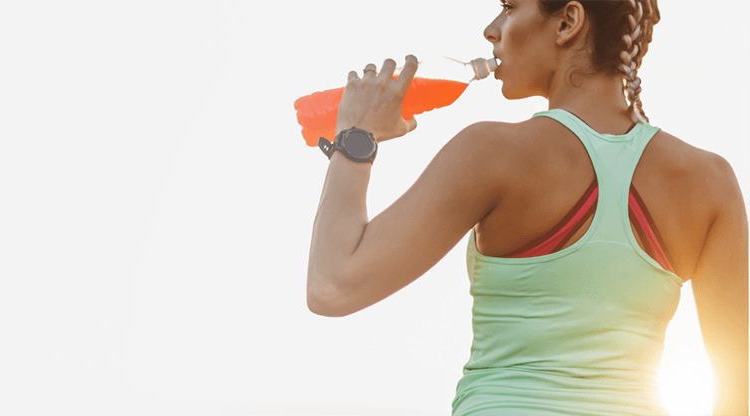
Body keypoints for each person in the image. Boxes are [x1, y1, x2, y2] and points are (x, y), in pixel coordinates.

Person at [305, 0, 748, 414]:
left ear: (566, 23)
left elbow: (333, 286)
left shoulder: (492, 152)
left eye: (509, 7)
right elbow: (739, 394)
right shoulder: (710, 182)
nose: (491, 30)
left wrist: (355, 138)